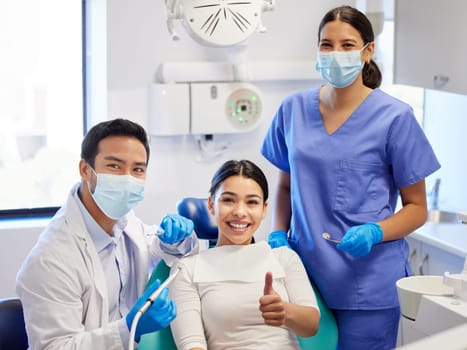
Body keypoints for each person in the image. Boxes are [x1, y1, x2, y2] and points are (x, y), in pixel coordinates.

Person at [260, 5, 441, 350]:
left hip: (367, 284)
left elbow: (417, 208)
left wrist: (376, 231)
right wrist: (278, 234)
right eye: (326, 45)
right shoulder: (292, 109)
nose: (335, 54)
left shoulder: (395, 118)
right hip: (304, 276)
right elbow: (285, 185)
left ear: (367, 51)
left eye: (347, 45)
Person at [16, 118, 199, 349]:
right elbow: (54, 347)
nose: (127, 178)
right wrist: (130, 328)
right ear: (85, 169)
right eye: (114, 166)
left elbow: (160, 248)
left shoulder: (124, 222)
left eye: (137, 169)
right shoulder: (50, 259)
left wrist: (179, 240)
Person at [168, 159, 320, 350]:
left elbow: (311, 326)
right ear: (211, 204)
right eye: (228, 200)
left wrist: (285, 311)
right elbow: (192, 345)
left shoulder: (284, 258)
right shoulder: (187, 269)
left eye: (252, 202)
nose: (240, 212)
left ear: (264, 209)